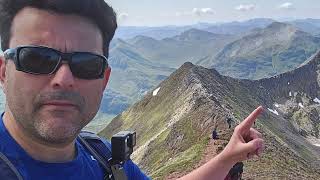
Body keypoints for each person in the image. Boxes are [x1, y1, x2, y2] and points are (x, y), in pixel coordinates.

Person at [0, 0, 265, 179]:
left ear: (103, 81)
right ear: (3, 72)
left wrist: (228, 157)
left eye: (87, 65)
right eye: (37, 59)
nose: (64, 78)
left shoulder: (105, 157)